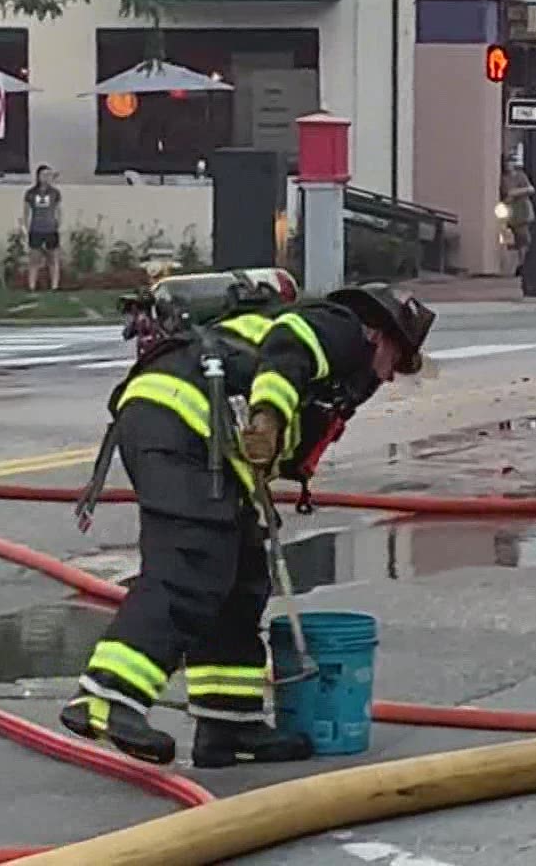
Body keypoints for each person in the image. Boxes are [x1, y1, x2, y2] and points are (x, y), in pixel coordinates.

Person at [60, 282, 435, 768]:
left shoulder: (340, 368)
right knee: (192, 564)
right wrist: (270, 419)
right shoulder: (344, 330)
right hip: (180, 419)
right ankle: (105, 698)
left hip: (197, 434)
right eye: (397, 365)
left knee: (240, 575)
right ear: (383, 337)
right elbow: (289, 347)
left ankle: (229, 723)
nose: (389, 378)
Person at [22, 165, 63, 291]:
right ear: (38, 176)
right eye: (44, 175)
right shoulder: (30, 193)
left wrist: (58, 223)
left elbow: (58, 209)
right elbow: (26, 212)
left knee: (53, 259)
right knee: (34, 259)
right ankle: (31, 286)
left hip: (51, 229)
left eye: (49, 175)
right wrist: (26, 227)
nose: (47, 177)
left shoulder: (55, 193)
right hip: (36, 229)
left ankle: (55, 286)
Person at [499, 157, 535, 276]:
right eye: (506, 163)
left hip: (523, 210)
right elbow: (508, 193)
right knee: (517, 238)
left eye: (510, 162)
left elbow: (531, 189)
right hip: (512, 212)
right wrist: (521, 191)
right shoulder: (504, 179)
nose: (508, 165)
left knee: (524, 238)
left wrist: (517, 192)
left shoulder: (521, 175)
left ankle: (524, 263)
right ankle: (520, 264)